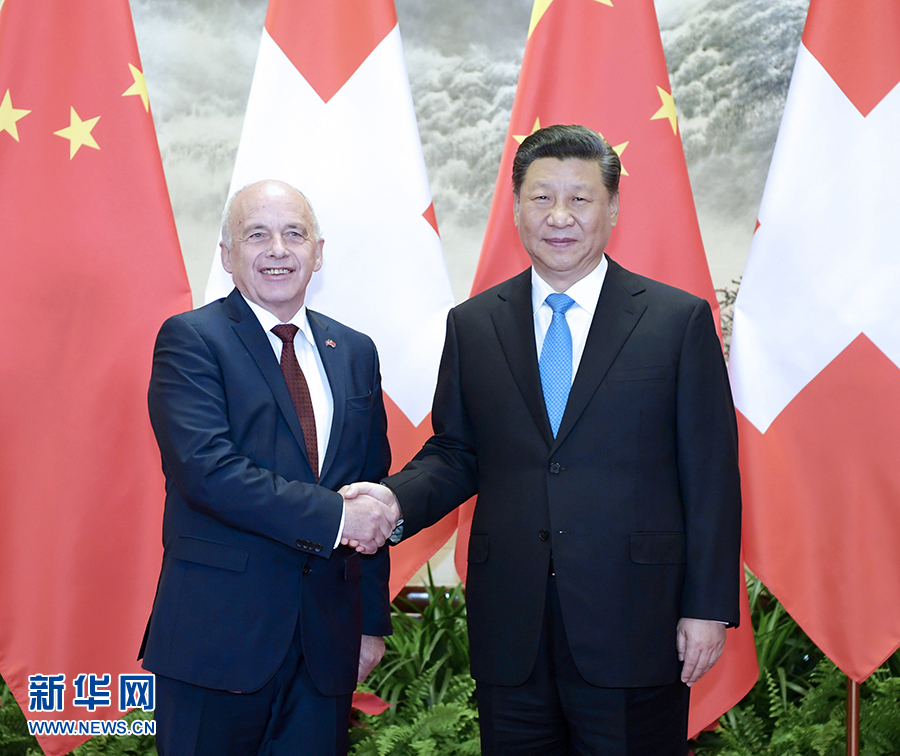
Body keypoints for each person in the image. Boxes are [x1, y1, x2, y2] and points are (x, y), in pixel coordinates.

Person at [345, 125, 742, 755]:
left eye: (580, 198)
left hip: (636, 623)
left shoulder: (676, 321)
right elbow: (457, 452)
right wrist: (393, 501)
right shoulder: (474, 324)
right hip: (513, 629)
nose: (560, 216)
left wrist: (707, 607)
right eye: (541, 197)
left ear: (613, 208)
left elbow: (711, 475)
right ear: (516, 208)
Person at [139, 180, 400, 756]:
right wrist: (336, 517)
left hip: (326, 646)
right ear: (227, 255)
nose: (278, 249)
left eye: (294, 234)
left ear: (318, 252)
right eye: (257, 235)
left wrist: (369, 623)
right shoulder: (191, 340)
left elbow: (370, 488)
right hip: (217, 642)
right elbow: (208, 471)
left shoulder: (355, 352)